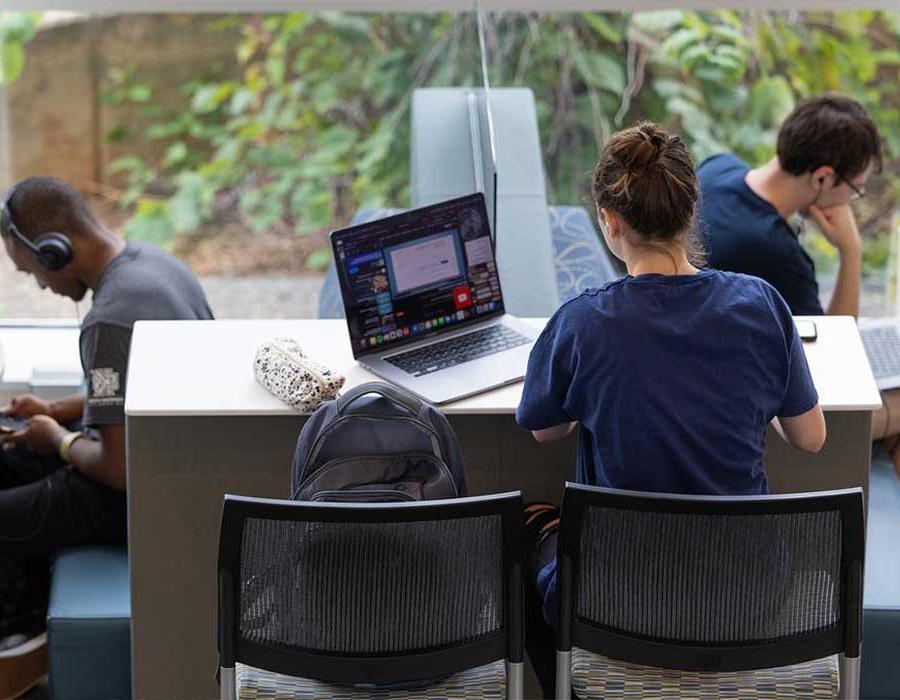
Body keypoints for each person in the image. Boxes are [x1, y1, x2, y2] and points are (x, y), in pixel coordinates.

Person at [515, 122, 826, 697]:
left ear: (609, 223)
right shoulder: (761, 305)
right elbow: (810, 438)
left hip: (622, 605)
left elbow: (544, 430)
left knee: (524, 532)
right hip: (748, 599)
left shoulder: (584, 322)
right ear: (690, 211)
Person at [0, 177, 213, 696]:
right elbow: (126, 389)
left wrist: (56, 438)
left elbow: (117, 469)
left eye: (33, 273)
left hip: (144, 498)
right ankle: (28, 614)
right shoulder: (152, 264)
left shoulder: (110, 319)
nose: (42, 286)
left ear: (55, 250)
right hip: (183, 465)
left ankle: (20, 643)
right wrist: (56, 411)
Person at [695, 95, 900, 455]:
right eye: (853, 190)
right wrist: (851, 252)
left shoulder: (715, 169)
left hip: (701, 379)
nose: (850, 202)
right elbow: (836, 353)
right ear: (823, 177)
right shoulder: (778, 255)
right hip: (758, 422)